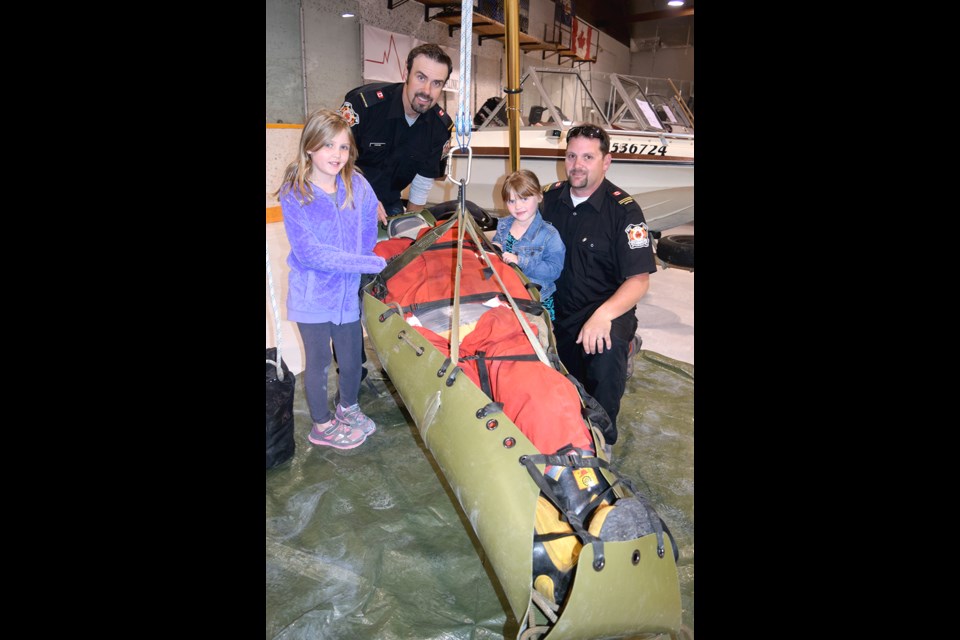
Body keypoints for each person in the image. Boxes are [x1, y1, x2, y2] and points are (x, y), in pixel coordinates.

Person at [275, 109, 387, 450]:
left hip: (345, 294)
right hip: (312, 296)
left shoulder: (358, 184)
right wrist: (368, 261)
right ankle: (321, 424)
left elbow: (368, 229)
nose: (336, 155)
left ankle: (348, 407)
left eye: (342, 147)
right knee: (320, 362)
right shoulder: (296, 194)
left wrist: (365, 257)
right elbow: (311, 254)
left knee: (352, 357)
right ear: (309, 147)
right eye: (328, 146)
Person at [541, 124, 656, 449]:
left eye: (588, 157)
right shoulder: (548, 200)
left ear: (606, 162)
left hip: (606, 309)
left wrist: (604, 315)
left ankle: (599, 444)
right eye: (572, 155)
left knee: (603, 362)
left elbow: (639, 280)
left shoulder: (625, 212)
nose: (578, 164)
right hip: (555, 309)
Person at [339, 43, 454, 224]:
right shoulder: (363, 106)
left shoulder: (439, 128)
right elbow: (333, 159)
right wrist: (364, 195)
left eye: (436, 83)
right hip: (344, 197)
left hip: (389, 202)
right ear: (405, 74)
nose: (427, 91)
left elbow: (422, 182)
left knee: (398, 246)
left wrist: (410, 224)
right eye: (421, 77)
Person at [491, 169, 564, 321]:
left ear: (539, 196)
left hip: (536, 303)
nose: (518, 206)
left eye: (524, 199)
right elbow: (497, 243)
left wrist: (521, 261)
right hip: (506, 296)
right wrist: (494, 247)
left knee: (536, 340)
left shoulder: (549, 234)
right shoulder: (503, 225)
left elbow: (554, 270)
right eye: (511, 201)